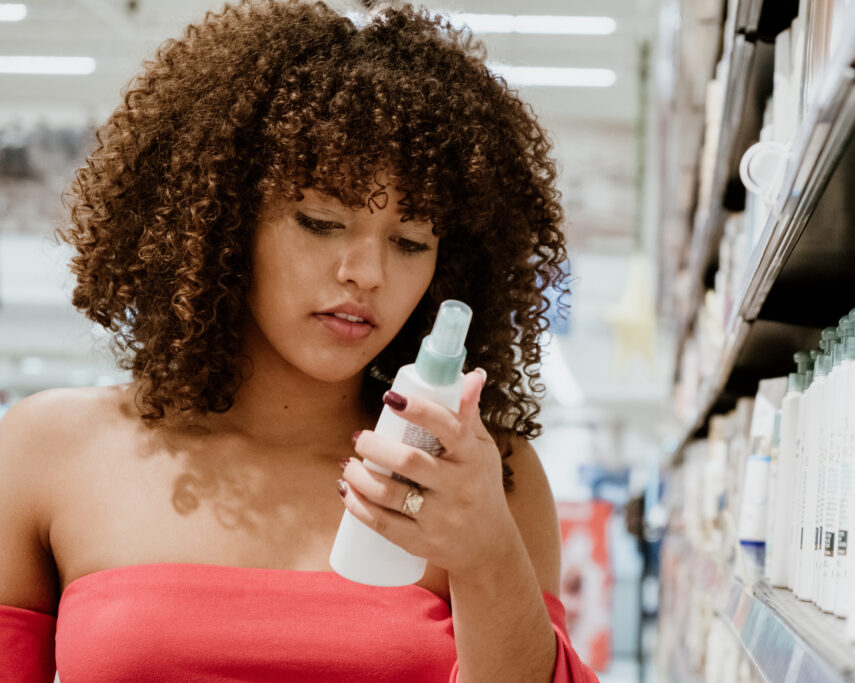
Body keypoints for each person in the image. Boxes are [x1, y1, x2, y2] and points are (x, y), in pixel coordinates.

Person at [0, 1, 598, 680]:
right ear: (222, 220)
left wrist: (488, 551)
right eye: (319, 221)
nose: (367, 273)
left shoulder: (476, 480)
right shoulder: (48, 453)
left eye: (410, 241)